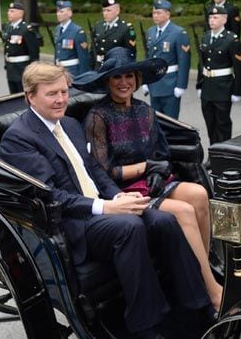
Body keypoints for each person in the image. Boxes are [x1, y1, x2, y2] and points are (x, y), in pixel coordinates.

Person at [0, 62, 214, 339]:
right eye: (52, 94)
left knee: (165, 220)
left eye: (64, 92)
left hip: (102, 206)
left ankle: (197, 306)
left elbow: (95, 171)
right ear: (31, 96)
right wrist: (107, 207)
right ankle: (145, 326)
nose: (61, 99)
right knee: (129, 227)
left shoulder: (69, 124)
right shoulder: (19, 138)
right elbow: (50, 196)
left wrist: (117, 195)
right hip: (72, 223)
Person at [73, 47, 222, 310]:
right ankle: (211, 290)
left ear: (137, 79)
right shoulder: (97, 116)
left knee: (199, 194)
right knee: (184, 212)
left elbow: (161, 153)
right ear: (108, 82)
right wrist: (146, 166)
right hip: (121, 190)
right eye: (116, 78)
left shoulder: (145, 111)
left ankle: (200, 270)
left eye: (128, 76)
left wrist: (157, 170)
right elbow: (103, 170)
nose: (123, 83)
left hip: (151, 180)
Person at [197, 6, 241, 145]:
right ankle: (213, 154)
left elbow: (239, 68)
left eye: (215, 17)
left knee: (222, 124)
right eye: (210, 17)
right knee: (210, 123)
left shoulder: (231, 39)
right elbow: (202, 63)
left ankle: (224, 156)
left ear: (224, 20)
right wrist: (199, 84)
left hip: (223, 87)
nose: (212, 20)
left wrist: (237, 91)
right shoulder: (206, 36)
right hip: (207, 87)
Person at [142, 0, 191, 119]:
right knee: (156, 123)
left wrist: (181, 85)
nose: (155, 16)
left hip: (170, 83)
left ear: (168, 14)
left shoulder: (178, 32)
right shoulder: (151, 31)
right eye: (154, 13)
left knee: (170, 122)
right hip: (154, 82)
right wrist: (145, 79)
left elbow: (184, 60)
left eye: (159, 13)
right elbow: (148, 57)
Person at [2, 2, 40, 94]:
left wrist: (33, 70)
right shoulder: (8, 27)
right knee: (12, 95)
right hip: (11, 69)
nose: (8, 13)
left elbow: (33, 51)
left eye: (12, 11)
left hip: (22, 68)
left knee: (22, 95)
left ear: (20, 13)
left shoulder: (26, 29)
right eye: (8, 11)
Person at [93, 0, 137, 69]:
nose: (105, 13)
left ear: (117, 11)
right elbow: (93, 50)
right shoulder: (98, 26)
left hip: (115, 68)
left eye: (108, 10)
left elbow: (130, 54)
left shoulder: (125, 28)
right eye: (104, 10)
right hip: (99, 67)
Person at [54, 0, 91, 77]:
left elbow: (83, 57)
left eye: (61, 12)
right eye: (57, 11)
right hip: (60, 71)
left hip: (73, 72)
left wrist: (83, 77)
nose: (58, 14)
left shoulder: (77, 31)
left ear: (70, 13)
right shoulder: (58, 29)